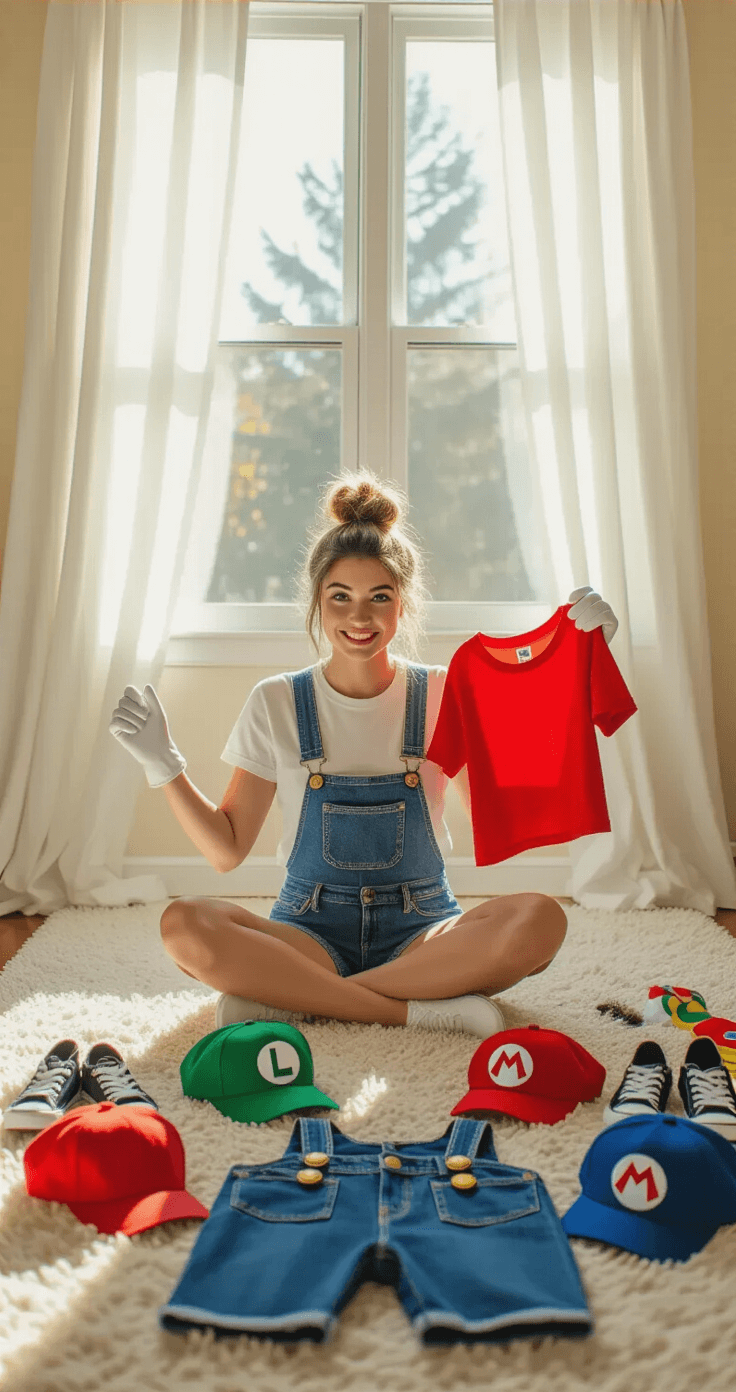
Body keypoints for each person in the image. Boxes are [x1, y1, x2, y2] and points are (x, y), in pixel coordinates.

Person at [110, 471, 618, 1037]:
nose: (360, 617)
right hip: (308, 934)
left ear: (403, 605)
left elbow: (500, 816)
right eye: (341, 598)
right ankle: (415, 1010)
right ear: (317, 604)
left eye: (380, 597)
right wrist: (165, 765)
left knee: (539, 920)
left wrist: (582, 669)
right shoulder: (276, 700)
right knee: (185, 923)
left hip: (422, 933)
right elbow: (227, 850)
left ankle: (301, 1001)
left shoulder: (442, 693)